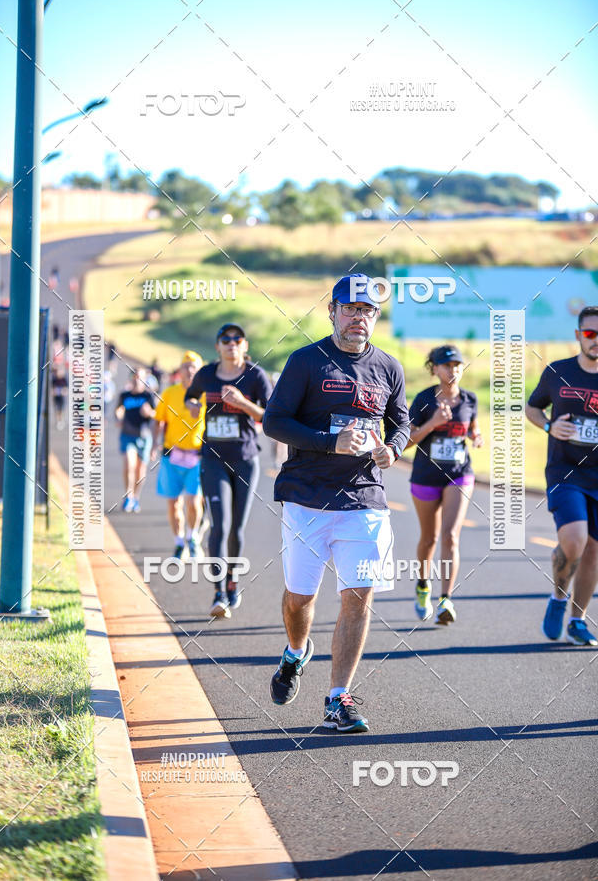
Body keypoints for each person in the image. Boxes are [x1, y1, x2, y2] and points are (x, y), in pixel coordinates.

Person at [262, 274, 410, 733]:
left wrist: (394, 449)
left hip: (366, 499)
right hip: (306, 498)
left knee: (357, 596)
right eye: (350, 309)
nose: (357, 318)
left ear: (375, 317)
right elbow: (274, 422)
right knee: (299, 599)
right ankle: (295, 652)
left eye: (366, 311)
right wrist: (330, 442)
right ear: (332, 311)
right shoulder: (306, 361)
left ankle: (336, 698)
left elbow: (401, 422)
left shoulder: (389, 367)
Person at [185, 323, 272, 618]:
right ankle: (219, 592)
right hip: (213, 459)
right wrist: (192, 406)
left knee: (236, 528)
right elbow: (191, 396)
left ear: (244, 346)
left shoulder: (255, 376)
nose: (232, 343)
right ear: (218, 346)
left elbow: (271, 416)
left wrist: (243, 403)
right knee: (219, 525)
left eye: (237, 339)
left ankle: (233, 583)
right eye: (226, 339)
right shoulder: (207, 374)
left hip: (246, 460)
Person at [526, 306, 598, 646]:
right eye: (590, 333)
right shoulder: (558, 372)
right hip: (565, 471)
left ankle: (577, 621)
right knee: (574, 541)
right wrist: (551, 426)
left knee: (594, 551)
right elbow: (532, 407)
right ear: (578, 336)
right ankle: (558, 597)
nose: (596, 340)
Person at [404, 345, 483, 625]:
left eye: (458, 365)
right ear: (434, 369)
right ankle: (423, 584)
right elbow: (407, 440)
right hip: (426, 475)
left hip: (459, 473)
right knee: (430, 539)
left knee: (450, 536)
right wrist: (433, 424)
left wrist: (476, 436)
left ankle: (446, 599)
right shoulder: (424, 400)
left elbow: (471, 427)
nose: (453, 370)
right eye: (447, 365)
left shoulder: (470, 399)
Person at [153, 351, 207, 560]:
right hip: (172, 455)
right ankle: (178, 543)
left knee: (193, 502)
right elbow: (158, 420)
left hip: (196, 457)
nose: (190, 370)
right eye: (186, 366)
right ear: (180, 370)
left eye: (194, 367)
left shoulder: (205, 395)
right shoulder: (170, 393)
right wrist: (154, 443)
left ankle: (193, 538)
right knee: (173, 503)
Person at [115, 367, 156, 513]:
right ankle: (128, 495)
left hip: (144, 437)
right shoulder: (125, 395)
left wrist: (149, 412)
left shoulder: (148, 397)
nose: (137, 379)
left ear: (145, 380)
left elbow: (157, 417)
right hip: (128, 435)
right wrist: (118, 415)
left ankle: (136, 498)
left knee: (140, 471)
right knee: (129, 464)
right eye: (135, 377)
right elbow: (118, 410)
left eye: (140, 377)